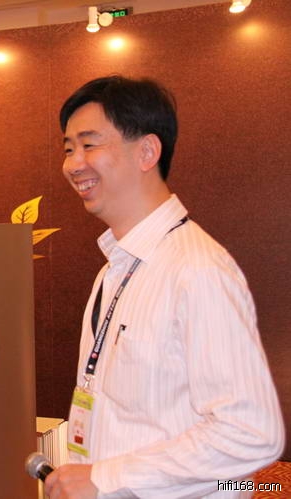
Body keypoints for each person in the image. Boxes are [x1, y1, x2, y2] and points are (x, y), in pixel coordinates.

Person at [45, 75, 284, 498]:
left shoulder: (196, 268)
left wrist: (108, 477)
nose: (73, 164)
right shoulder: (115, 269)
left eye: (89, 144)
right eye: (68, 149)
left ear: (147, 152)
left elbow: (251, 433)